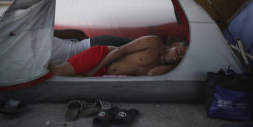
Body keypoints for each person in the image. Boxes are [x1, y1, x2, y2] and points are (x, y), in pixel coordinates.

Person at [48, 35, 187, 77]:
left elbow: (151, 73)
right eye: (179, 53)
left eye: (179, 60)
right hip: (100, 58)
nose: (176, 58)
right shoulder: (154, 41)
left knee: (65, 76)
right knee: (59, 71)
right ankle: (30, 65)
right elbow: (122, 50)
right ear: (174, 44)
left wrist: (176, 65)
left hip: (103, 73)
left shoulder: (162, 68)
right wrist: (96, 68)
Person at [51, 29, 132, 65]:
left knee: (137, 51)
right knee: (136, 45)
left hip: (93, 52)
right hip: (94, 46)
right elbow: (78, 33)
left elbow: (78, 34)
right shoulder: (43, 34)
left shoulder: (40, 64)